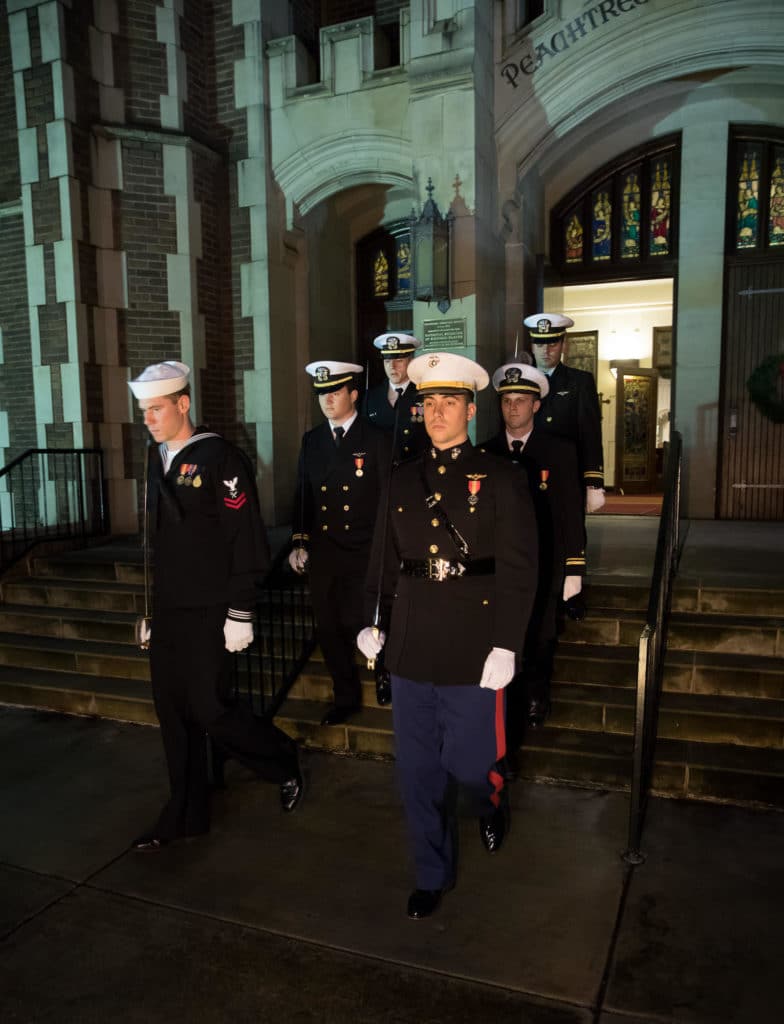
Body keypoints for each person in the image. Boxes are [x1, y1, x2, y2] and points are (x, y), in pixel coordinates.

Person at [357, 352, 537, 920]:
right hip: (411, 640)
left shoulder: (502, 477)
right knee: (417, 773)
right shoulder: (402, 477)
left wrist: (507, 643)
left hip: (473, 642)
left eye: (448, 402)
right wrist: (373, 619)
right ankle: (431, 875)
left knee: (471, 763)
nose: (437, 413)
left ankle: (491, 799)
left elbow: (519, 567)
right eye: (428, 402)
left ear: (469, 407)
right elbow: (382, 560)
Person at [128, 361, 304, 852]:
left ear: (183, 403)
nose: (150, 418)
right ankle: (185, 813)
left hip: (211, 607)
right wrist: (150, 611)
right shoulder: (155, 456)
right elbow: (157, 544)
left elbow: (244, 537)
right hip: (170, 609)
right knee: (172, 711)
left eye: (157, 409)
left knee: (209, 707)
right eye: (144, 411)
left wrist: (241, 609)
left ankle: (282, 758)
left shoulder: (220, 458)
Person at [481, 363, 585, 744]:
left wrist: (574, 567)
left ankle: (537, 696)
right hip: (502, 567)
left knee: (541, 636)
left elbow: (571, 512)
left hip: (546, 561)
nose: (512, 408)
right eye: (507, 401)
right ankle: (511, 696)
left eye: (520, 400)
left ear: (536, 406)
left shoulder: (559, 451)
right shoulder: (486, 453)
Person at [289, 360, 392, 726]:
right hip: (326, 551)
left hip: (365, 550)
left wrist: (386, 549)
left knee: (365, 621)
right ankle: (345, 696)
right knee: (329, 628)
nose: (327, 400)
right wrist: (299, 541)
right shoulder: (313, 440)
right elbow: (303, 494)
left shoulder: (377, 438)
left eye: (334, 392)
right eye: (322, 394)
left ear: (353, 394)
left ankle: (384, 673)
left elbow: (386, 499)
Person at [525, 313, 604, 618]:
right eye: (540, 343)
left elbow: (589, 433)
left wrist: (594, 481)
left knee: (570, 532)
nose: (546, 350)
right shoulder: (520, 380)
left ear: (563, 344)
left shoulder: (579, 382)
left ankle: (572, 592)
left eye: (552, 343)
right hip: (529, 471)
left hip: (567, 475)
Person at [362, 331, 429, 462]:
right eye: (387, 361)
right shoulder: (371, 398)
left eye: (399, 360)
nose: (392, 367)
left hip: (415, 470)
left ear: (412, 361)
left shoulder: (425, 395)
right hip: (381, 473)